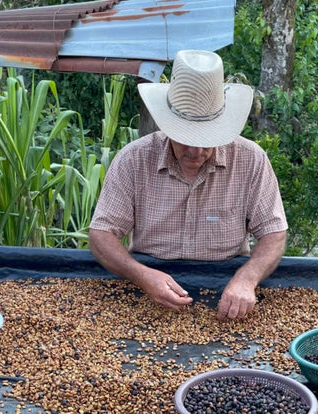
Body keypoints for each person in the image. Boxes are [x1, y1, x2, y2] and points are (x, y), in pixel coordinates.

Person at [88, 49, 288, 320]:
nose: (195, 151)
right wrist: (142, 275)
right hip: (147, 291)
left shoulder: (250, 160)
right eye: (184, 138)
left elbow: (273, 233)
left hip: (227, 294)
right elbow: (101, 235)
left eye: (206, 141)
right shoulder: (133, 160)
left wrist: (246, 280)